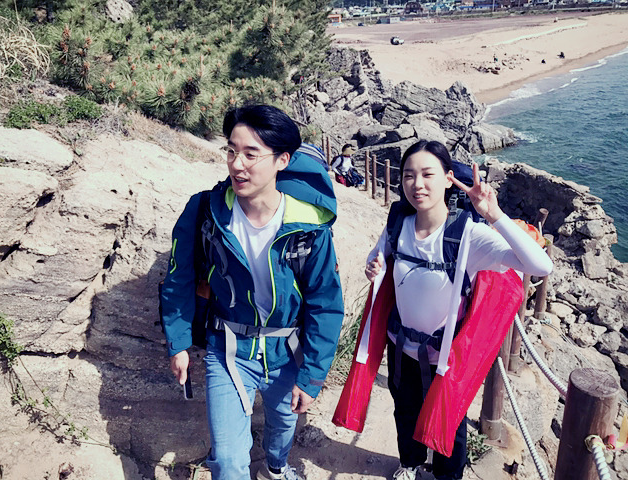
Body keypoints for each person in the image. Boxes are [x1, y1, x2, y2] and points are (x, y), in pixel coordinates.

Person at [160, 105, 344, 480]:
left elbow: (325, 304)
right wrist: (178, 343)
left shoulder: (309, 227)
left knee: (283, 427)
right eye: (231, 150)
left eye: (250, 154)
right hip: (228, 348)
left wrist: (311, 376)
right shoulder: (207, 211)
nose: (237, 164)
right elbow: (179, 277)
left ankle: (276, 467)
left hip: (286, 351)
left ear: (282, 160)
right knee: (228, 461)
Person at [363, 140, 553, 480]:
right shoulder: (398, 222)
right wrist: (373, 266)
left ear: (448, 178)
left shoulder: (468, 234)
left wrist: (494, 215)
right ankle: (410, 464)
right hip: (401, 346)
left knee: (449, 423)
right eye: (409, 175)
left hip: (446, 356)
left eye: (428, 174)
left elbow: (540, 266)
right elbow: (378, 255)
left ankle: (446, 476)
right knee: (404, 410)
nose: (417, 184)